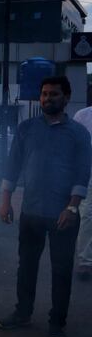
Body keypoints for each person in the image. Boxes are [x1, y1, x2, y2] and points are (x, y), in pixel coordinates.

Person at [0, 76, 91, 337]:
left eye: (54, 94)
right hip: (31, 211)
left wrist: (72, 208)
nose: (48, 99)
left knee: (61, 270)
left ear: (67, 98)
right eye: (45, 94)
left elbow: (82, 173)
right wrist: (5, 201)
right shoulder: (27, 128)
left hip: (63, 214)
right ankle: (22, 313)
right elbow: (12, 166)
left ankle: (57, 324)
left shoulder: (78, 133)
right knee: (26, 266)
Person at [72, 104, 92, 281]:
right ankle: (85, 261)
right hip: (89, 170)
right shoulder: (83, 115)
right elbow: (72, 143)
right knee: (88, 214)